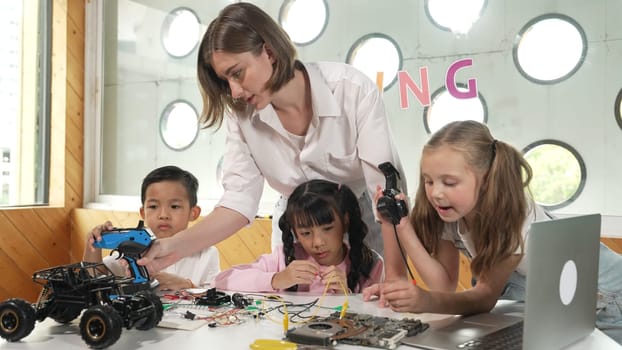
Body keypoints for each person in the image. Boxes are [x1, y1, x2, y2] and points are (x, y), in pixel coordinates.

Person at [137, 2, 405, 276]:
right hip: (294, 225)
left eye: (237, 73)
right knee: (293, 310)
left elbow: (386, 196)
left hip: (362, 218)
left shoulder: (353, 90)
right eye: (225, 80)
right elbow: (238, 202)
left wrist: (396, 278)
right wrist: (171, 247)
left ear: (269, 51)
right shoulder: (240, 116)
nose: (234, 92)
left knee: (369, 308)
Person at [362, 120, 622, 344]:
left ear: (486, 179)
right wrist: (401, 224)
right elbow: (443, 284)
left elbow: (484, 297)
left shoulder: (513, 214)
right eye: (429, 181)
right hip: (540, 290)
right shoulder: (451, 211)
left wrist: (426, 301)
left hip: (606, 294)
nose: (435, 192)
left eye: (449, 182)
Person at [213, 179, 384, 294]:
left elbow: (378, 313)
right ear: (294, 232)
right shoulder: (283, 258)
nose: (317, 242)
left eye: (327, 228)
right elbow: (221, 280)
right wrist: (277, 279)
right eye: (306, 233)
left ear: (345, 222)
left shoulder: (370, 264)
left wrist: (348, 295)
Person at [84, 165, 221, 291]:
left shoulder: (207, 253)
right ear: (143, 212)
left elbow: (217, 297)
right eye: (153, 207)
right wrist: (94, 244)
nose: (163, 215)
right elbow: (93, 278)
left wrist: (186, 285)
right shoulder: (131, 248)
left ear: (193, 213)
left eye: (174, 206)